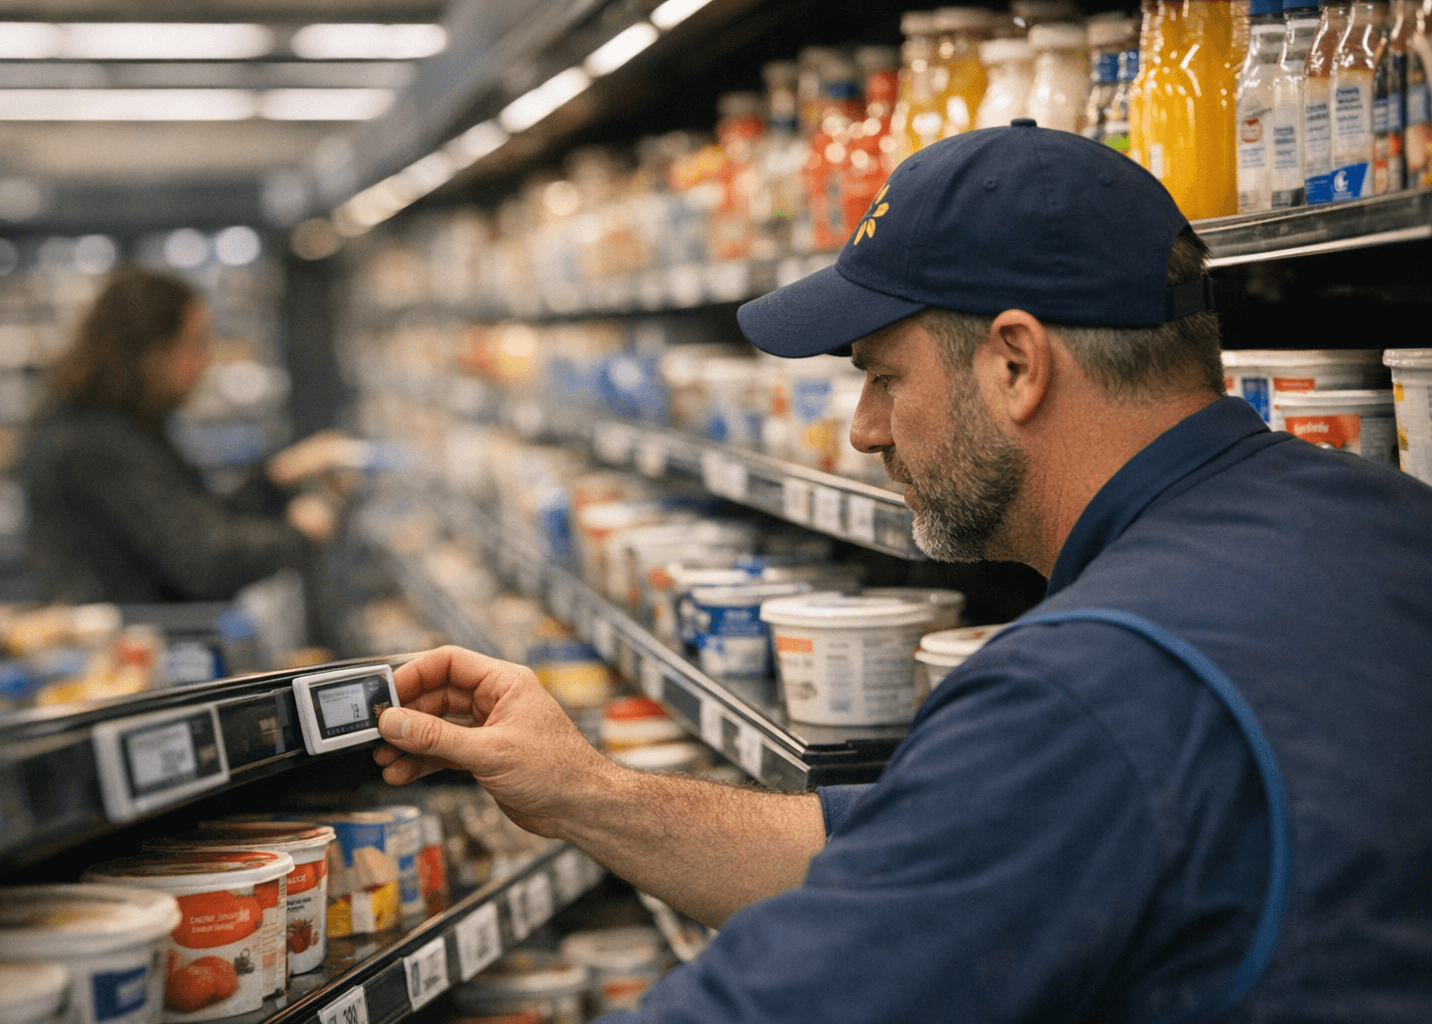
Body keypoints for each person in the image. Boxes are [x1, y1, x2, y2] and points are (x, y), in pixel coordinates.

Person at [373, 122, 1432, 1021]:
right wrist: (581, 791)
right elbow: (916, 854)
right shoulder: (1383, 521)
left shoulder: (1092, 685)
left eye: (884, 376)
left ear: (1017, 364)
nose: (865, 431)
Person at [23, 268, 353, 604]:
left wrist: (277, 476)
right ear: (151, 354)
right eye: (195, 344)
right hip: (133, 646)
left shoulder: (118, 426)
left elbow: (198, 521)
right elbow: (204, 561)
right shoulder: (94, 443)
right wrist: (300, 532)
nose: (207, 360)